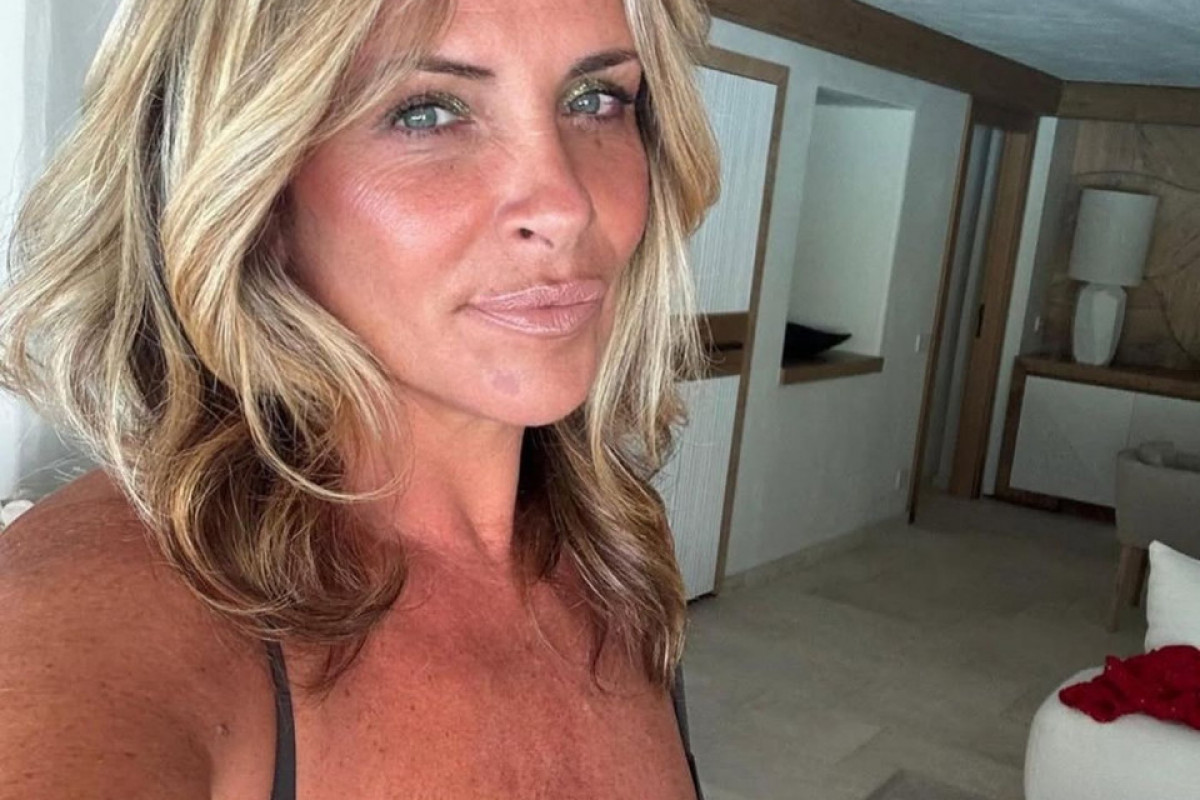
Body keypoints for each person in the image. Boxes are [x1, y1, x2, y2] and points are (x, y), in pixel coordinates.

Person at [0, 0, 718, 796]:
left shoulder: (617, 548)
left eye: (595, 100)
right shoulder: (92, 615)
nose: (566, 206)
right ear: (257, 186)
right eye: (427, 112)